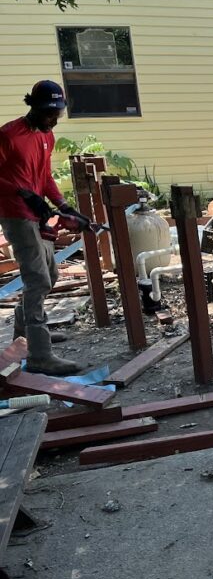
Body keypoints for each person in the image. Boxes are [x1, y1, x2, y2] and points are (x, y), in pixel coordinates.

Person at [0, 81, 90, 375]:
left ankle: (24, 337)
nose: (54, 119)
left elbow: (45, 176)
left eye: (58, 113)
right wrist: (20, 192)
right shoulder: (9, 135)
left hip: (39, 215)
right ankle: (40, 355)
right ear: (35, 107)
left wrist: (64, 206)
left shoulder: (46, 137)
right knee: (37, 279)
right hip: (16, 215)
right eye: (49, 113)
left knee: (49, 274)